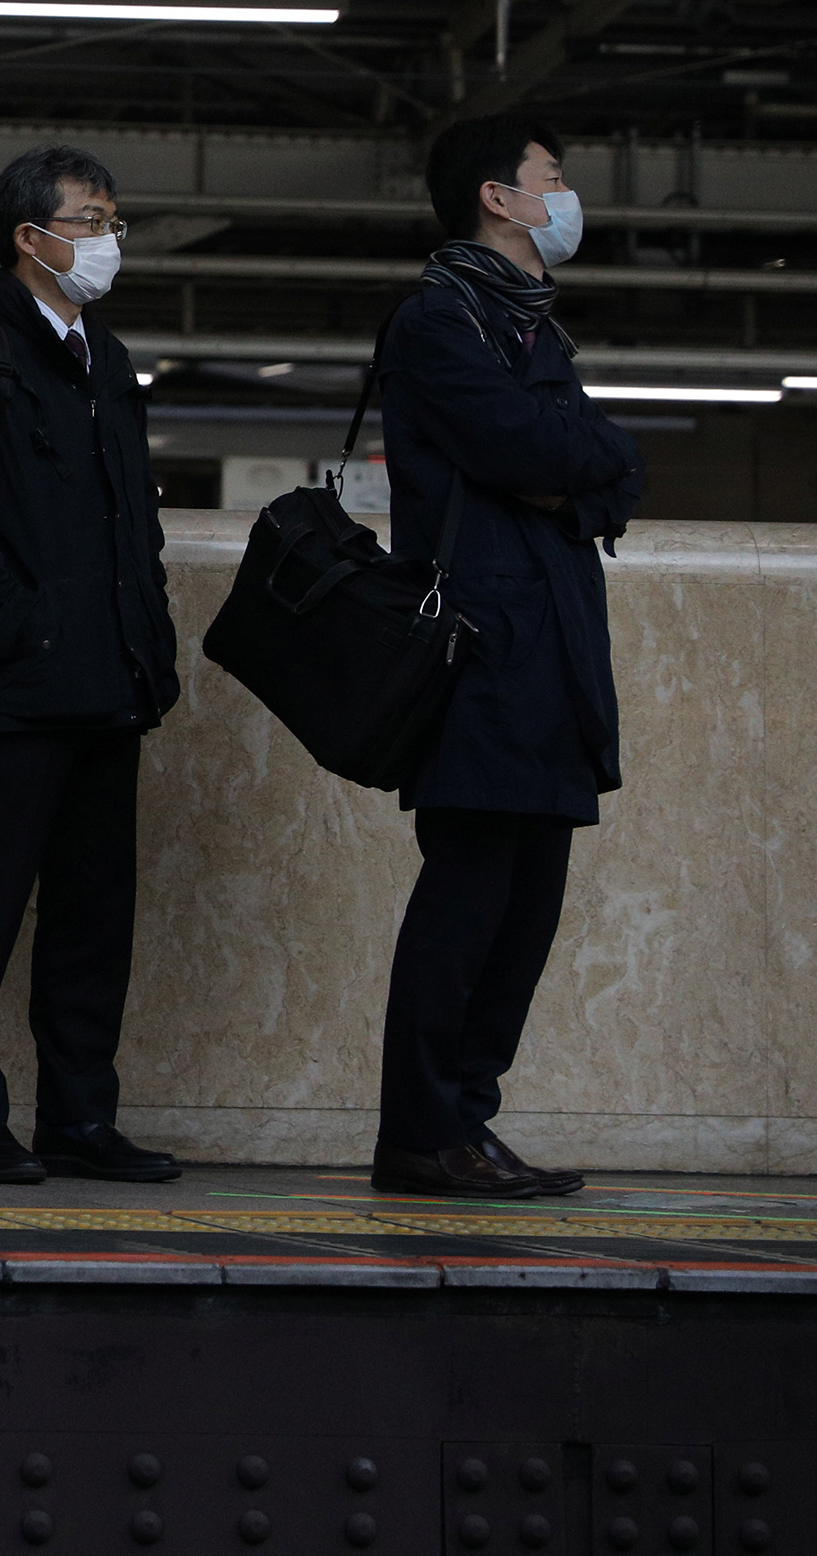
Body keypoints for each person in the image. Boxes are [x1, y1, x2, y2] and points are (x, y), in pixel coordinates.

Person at [367, 114, 641, 1200]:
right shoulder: (440, 323)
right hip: (480, 655)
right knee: (467, 900)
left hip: (550, 658)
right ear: (497, 197)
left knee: (524, 910)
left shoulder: (531, 331)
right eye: (550, 179)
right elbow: (529, 450)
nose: (563, 196)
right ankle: (421, 1132)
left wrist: (587, 468)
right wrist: (594, 459)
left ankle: (463, 1125)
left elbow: (586, 477)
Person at [0, 144, 182, 1186]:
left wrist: (142, 650)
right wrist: (27, 634)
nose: (106, 239)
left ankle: (78, 1118)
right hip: (12, 693)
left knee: (91, 914)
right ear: (30, 237)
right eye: (90, 219)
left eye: (110, 219)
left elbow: (128, 529)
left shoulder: (103, 360)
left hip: (108, 688)